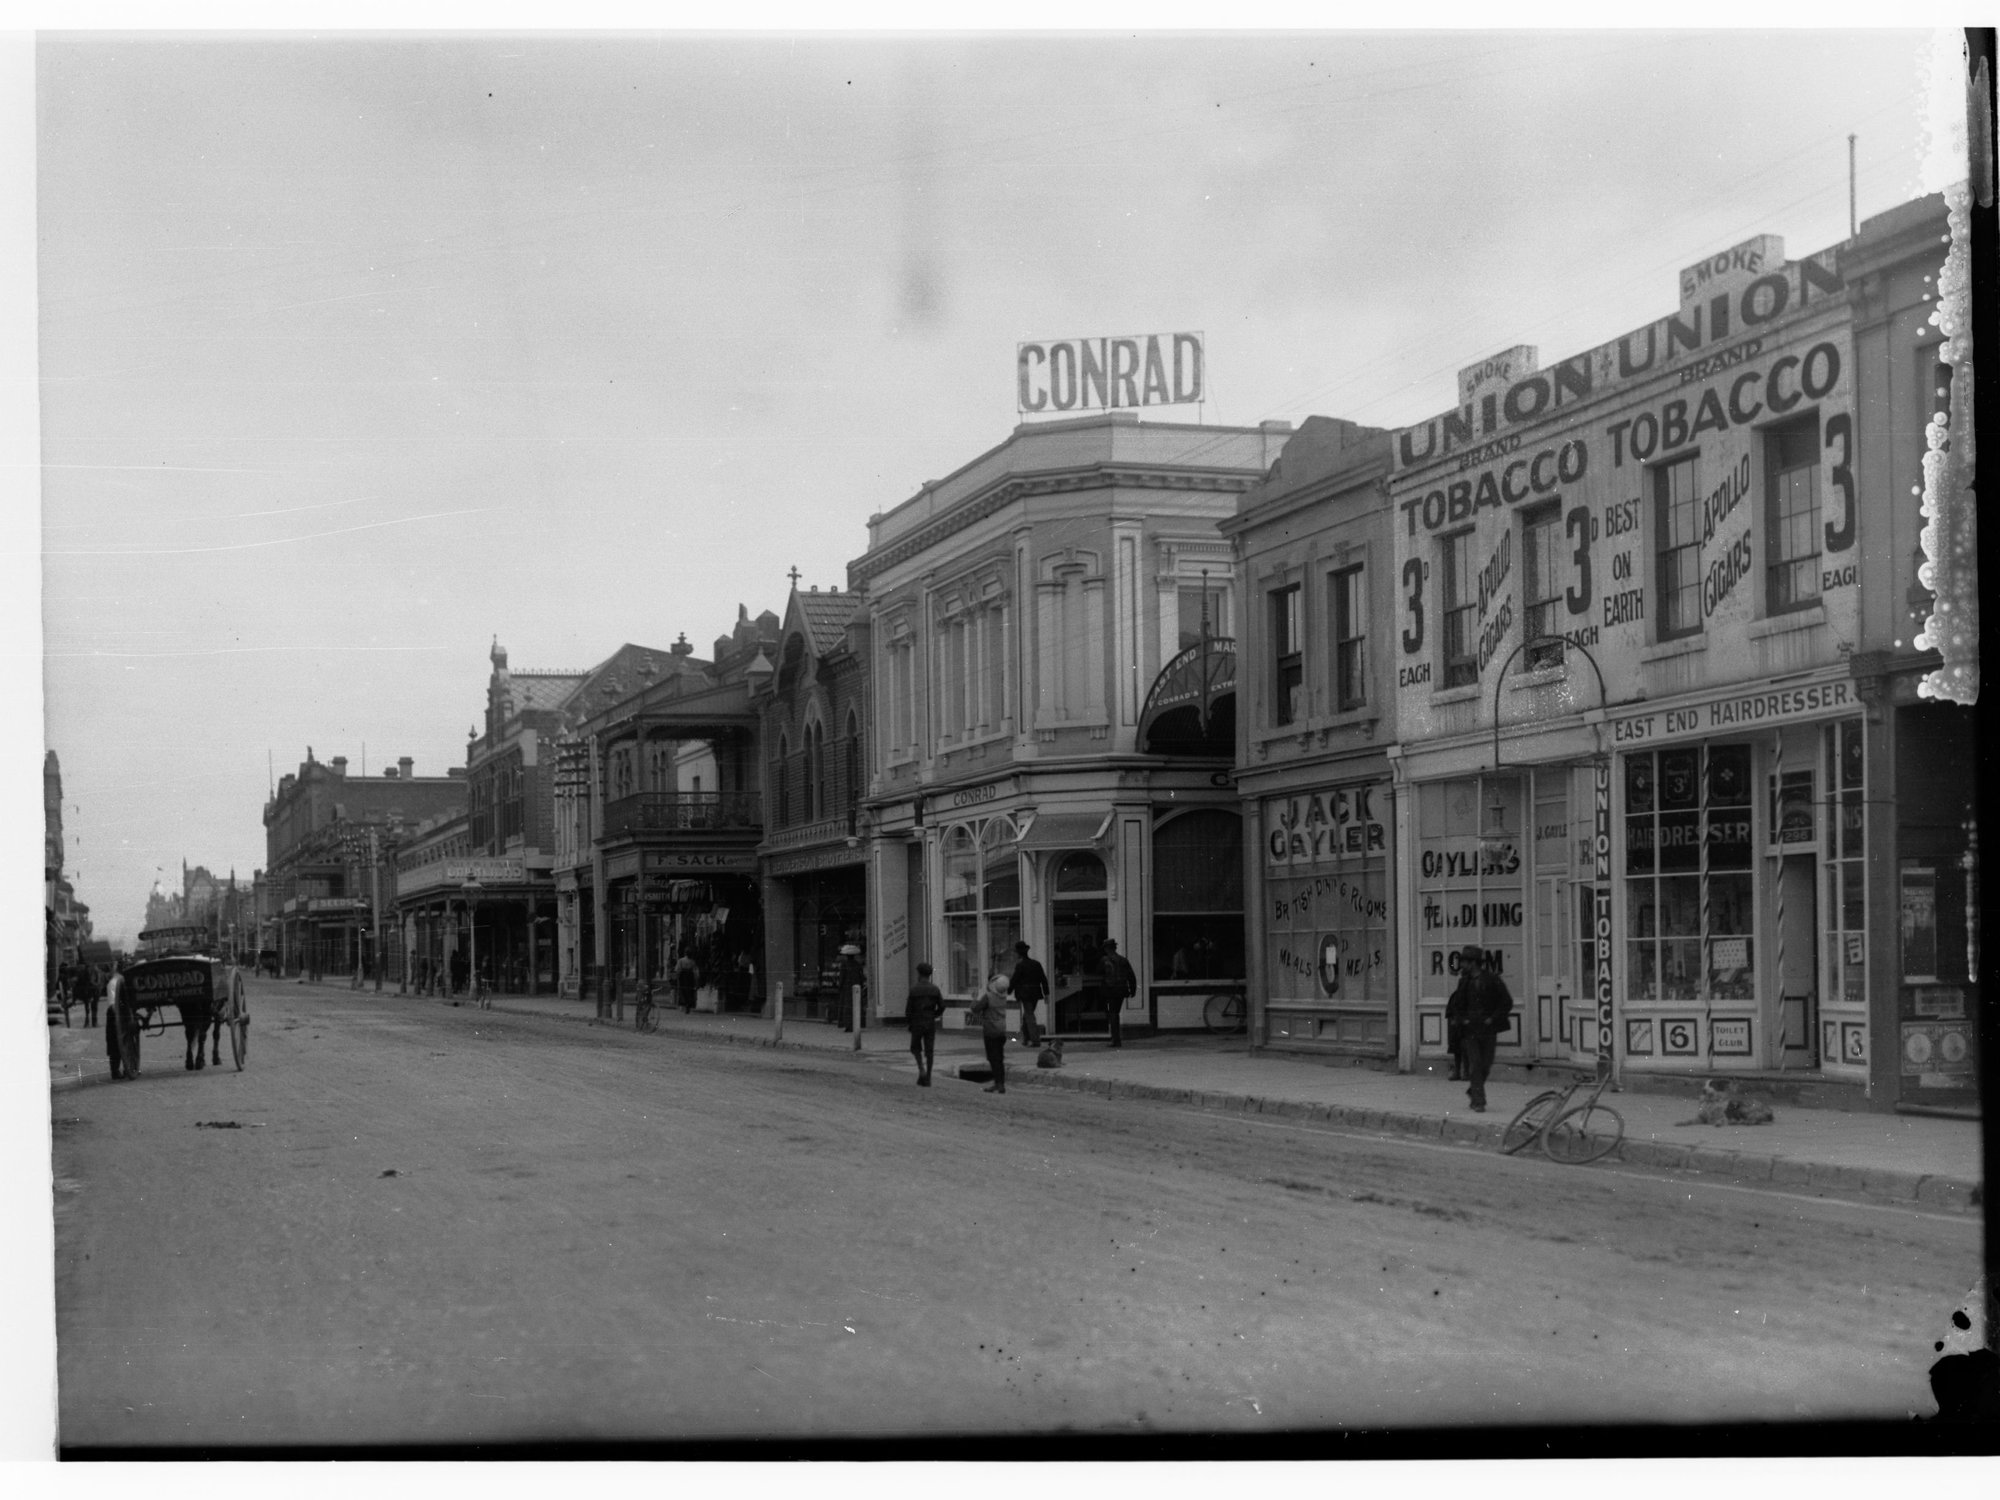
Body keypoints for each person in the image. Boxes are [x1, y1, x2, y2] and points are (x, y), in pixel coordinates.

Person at [1446, 945, 1514, 1112]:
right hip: (1470, 1031)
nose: (1462, 965)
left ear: (1473, 963)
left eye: (1464, 962)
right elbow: (1456, 1005)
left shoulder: (1492, 980)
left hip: (1488, 1029)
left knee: (1486, 1065)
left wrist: (1493, 1018)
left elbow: (1506, 1001)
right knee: (1476, 1064)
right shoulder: (1464, 982)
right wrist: (1463, 1020)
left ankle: (1473, 1090)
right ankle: (1479, 1101)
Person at [967, 972, 1012, 1093]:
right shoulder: (1003, 997)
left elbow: (976, 1009)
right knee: (999, 1058)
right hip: (1001, 1030)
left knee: (993, 1058)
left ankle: (998, 1083)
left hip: (990, 1030)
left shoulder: (988, 997)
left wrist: (974, 999)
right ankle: (1000, 1083)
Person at [904, 962, 946, 1086]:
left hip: (917, 1021)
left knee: (915, 1048)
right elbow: (942, 1006)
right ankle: (928, 1077)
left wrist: (910, 1023)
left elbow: (908, 1010)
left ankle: (921, 1068)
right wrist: (935, 1015)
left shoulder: (914, 989)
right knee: (930, 1050)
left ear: (919, 974)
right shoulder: (935, 989)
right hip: (930, 1021)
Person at [1009, 941, 1049, 1047]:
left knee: (1029, 1015)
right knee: (1027, 1015)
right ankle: (1026, 1038)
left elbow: (1014, 980)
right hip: (1035, 994)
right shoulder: (1036, 964)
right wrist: (1046, 994)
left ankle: (1035, 1040)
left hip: (1024, 994)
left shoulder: (1020, 965)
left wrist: (1007, 991)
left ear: (1018, 953)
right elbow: (1043, 979)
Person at [1101, 939, 1137, 1049]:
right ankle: (1116, 1039)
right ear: (1115, 948)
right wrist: (1133, 990)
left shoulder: (1104, 960)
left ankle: (1115, 1039)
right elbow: (1131, 976)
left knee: (1112, 1014)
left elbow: (1099, 972)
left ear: (1107, 949)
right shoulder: (1123, 960)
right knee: (1115, 1013)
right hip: (1121, 990)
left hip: (1110, 990)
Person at [836, 945, 865, 1031]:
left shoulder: (844, 965)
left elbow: (842, 977)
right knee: (856, 1006)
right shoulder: (857, 964)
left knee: (847, 1007)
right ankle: (857, 1024)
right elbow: (861, 977)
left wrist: (840, 987)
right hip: (856, 988)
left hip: (847, 988)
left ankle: (848, 1025)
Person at [74, 963, 100, 1029]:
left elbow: (77, 983)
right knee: (94, 1005)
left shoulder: (82, 972)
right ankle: (94, 1022)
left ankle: (88, 1022)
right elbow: (94, 982)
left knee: (88, 1007)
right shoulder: (93, 971)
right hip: (90, 992)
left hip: (85, 993)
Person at [674, 949, 700, 1014]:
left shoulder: (681, 960)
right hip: (690, 976)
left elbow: (678, 969)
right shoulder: (692, 961)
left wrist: (677, 976)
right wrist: (696, 978)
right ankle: (688, 1004)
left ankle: (685, 1004)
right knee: (689, 991)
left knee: (683, 990)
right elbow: (695, 971)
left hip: (683, 976)